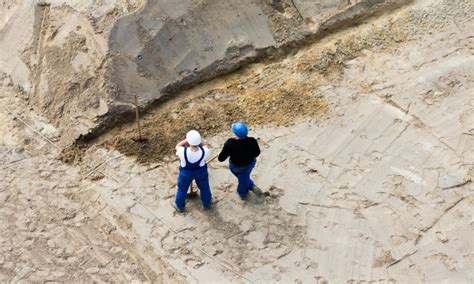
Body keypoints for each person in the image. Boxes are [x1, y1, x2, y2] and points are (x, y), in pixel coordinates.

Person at [171, 130, 212, 212]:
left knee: (182, 189)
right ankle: (207, 204)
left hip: (186, 174)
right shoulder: (205, 151)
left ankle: (180, 206)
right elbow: (205, 146)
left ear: (188, 141)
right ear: (199, 141)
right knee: (205, 188)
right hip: (201, 173)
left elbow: (177, 145)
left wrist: (186, 140)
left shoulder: (182, 151)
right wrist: (199, 142)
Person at [218, 122, 261, 200]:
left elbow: (221, 158)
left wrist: (225, 149)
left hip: (237, 167)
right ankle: (250, 185)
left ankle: (243, 193)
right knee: (245, 176)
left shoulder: (230, 143)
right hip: (250, 164)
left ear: (235, 133)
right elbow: (257, 153)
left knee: (242, 180)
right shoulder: (252, 140)